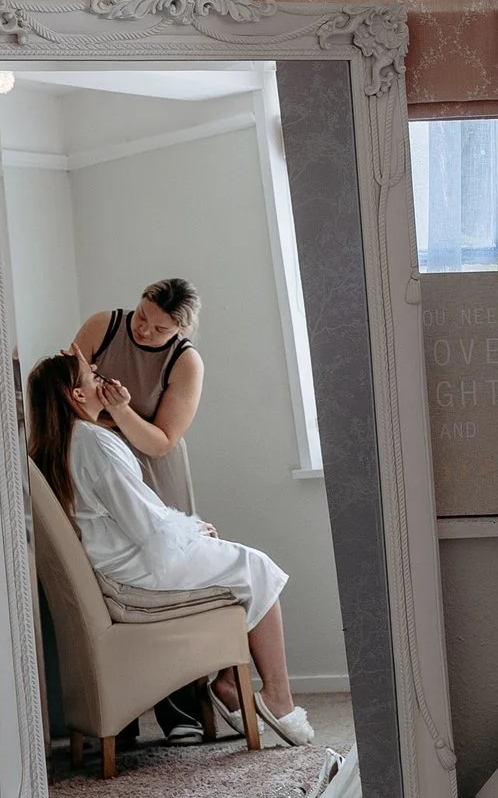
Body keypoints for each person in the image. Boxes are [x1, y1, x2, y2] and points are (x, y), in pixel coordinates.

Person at [27, 352, 312, 747]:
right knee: (258, 566)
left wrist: (192, 535)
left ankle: (230, 682)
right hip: (137, 571)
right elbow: (143, 523)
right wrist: (194, 534)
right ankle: (277, 698)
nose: (101, 378)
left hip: (117, 564)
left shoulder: (60, 447)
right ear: (78, 393)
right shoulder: (94, 443)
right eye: (93, 376)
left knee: (239, 569)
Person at [70, 278, 203, 513]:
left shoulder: (186, 363)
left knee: (166, 538)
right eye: (142, 315)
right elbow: (68, 391)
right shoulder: (102, 326)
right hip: (94, 452)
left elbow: (161, 443)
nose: (143, 330)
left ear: (180, 330)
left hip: (150, 464)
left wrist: (120, 410)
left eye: (160, 329)